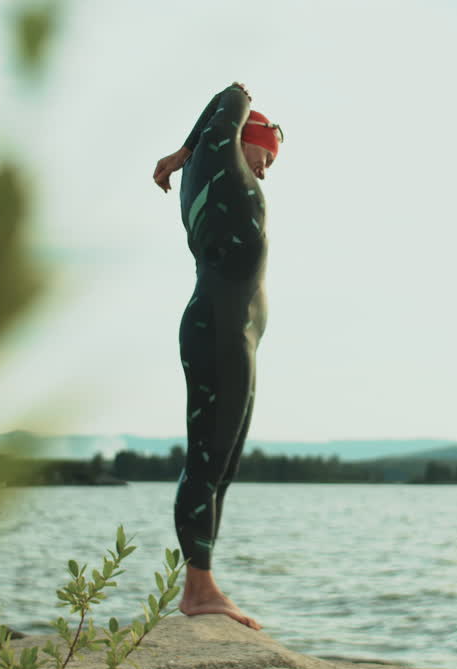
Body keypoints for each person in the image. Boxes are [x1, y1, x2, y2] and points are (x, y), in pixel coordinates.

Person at [152, 82, 283, 630]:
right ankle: (198, 587)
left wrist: (187, 153)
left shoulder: (220, 173)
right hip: (217, 329)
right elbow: (236, 92)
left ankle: (202, 584)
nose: (267, 168)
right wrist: (183, 150)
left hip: (235, 333)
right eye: (266, 154)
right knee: (206, 461)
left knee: (222, 464)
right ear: (242, 139)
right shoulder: (217, 164)